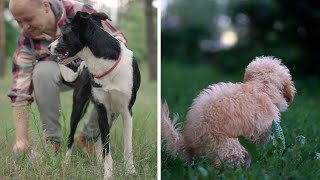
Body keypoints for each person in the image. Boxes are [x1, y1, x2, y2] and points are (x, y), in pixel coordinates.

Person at [8, 0, 127, 153]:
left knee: (118, 78)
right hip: (58, 75)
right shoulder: (26, 40)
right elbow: (19, 92)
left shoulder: (79, 12)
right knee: (42, 72)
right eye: (19, 22)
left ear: (45, 6)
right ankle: (53, 142)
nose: (24, 28)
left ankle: (89, 136)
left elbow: (117, 40)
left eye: (29, 19)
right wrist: (21, 140)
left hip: (91, 71)